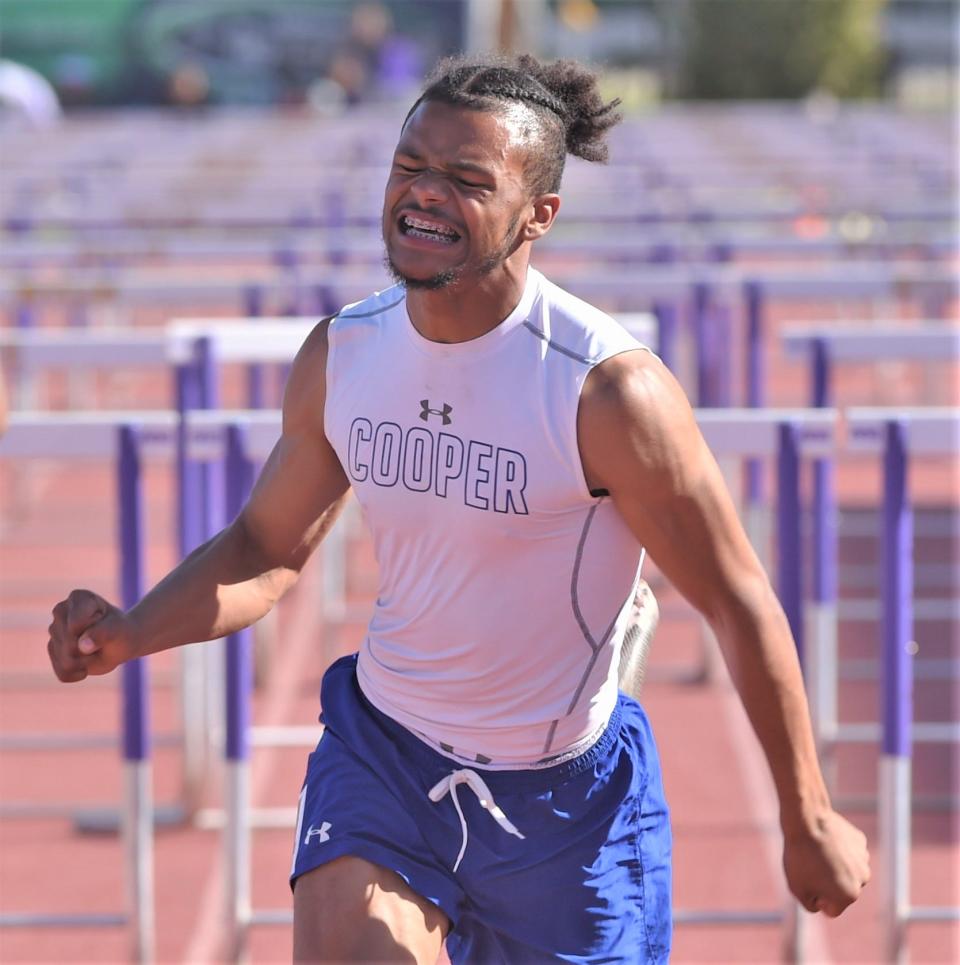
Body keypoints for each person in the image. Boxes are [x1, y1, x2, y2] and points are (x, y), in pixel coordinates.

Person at [47, 54, 870, 963]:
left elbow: (736, 596)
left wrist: (808, 812)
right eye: (410, 166)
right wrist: (131, 630)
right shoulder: (345, 353)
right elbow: (264, 545)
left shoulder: (606, 392)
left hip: (568, 801)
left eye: (468, 180)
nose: (424, 194)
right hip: (386, 757)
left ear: (537, 215)